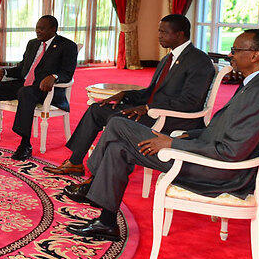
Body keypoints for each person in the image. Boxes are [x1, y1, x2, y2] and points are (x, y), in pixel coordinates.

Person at [63, 29, 259, 241]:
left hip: (217, 172)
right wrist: (188, 137)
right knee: (118, 147)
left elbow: (231, 151)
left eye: (236, 50)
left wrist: (171, 143)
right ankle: (107, 222)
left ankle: (90, 181)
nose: (231, 54)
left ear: (255, 55)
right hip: (206, 155)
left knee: (118, 125)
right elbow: (224, 131)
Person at [44, 14, 215, 176]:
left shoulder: (198, 61)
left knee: (116, 120)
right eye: (159, 31)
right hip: (151, 110)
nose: (159, 36)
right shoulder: (168, 58)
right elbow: (151, 91)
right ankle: (75, 162)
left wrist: (149, 107)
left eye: (164, 32)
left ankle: (99, 176)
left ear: (179, 34)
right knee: (97, 109)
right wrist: (124, 95)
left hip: (172, 118)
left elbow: (191, 103)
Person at [0, 15, 78, 160]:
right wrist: (5, 72)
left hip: (46, 90)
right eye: (37, 28)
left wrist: (55, 77)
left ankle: (25, 145)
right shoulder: (33, 44)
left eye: (42, 29)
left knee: (25, 92)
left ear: (53, 29)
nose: (38, 31)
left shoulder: (67, 46)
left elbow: (67, 73)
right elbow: (22, 69)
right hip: (25, 85)